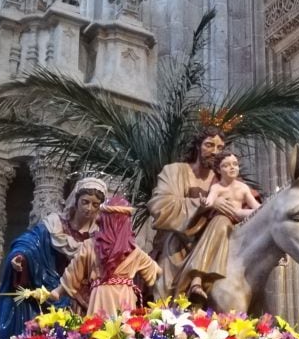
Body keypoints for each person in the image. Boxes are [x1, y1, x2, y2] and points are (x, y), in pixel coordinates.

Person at [0, 177, 107, 339]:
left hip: (84, 300)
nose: (89, 208)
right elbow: (29, 243)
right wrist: (20, 257)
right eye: (85, 202)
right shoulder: (55, 225)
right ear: (75, 201)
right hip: (49, 292)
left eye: (95, 204)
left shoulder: (99, 236)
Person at [147, 126, 239, 299]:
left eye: (220, 148)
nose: (215, 152)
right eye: (209, 145)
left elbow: (238, 209)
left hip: (213, 245)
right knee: (173, 245)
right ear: (198, 146)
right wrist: (205, 204)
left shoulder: (223, 180)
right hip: (176, 244)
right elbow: (160, 206)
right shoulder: (174, 171)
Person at [50, 196, 161, 317]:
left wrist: (58, 291)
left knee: (99, 330)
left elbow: (74, 273)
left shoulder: (90, 245)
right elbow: (155, 272)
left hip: (100, 296)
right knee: (122, 330)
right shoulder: (135, 251)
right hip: (124, 297)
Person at [179, 151, 260, 300]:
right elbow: (210, 201)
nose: (232, 168)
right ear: (218, 169)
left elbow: (257, 208)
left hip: (238, 223)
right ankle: (196, 281)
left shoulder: (243, 188)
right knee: (220, 221)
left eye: (235, 164)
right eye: (226, 165)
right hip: (219, 223)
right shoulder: (217, 188)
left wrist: (239, 212)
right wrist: (205, 203)